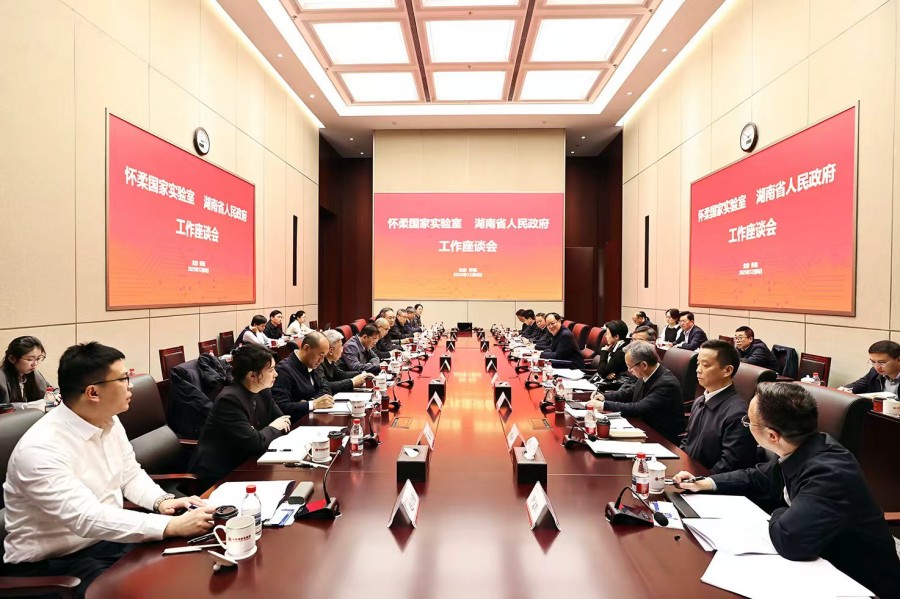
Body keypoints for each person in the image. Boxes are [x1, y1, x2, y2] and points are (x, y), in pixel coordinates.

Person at [1, 342, 215, 597]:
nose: (130, 385)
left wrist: (161, 501)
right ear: (93, 392)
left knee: (190, 562)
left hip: (107, 540)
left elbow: (129, 474)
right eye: (123, 379)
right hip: (54, 565)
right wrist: (170, 526)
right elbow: (86, 518)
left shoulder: (108, 420)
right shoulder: (40, 450)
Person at [674, 383, 900, 599]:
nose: (746, 425)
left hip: (858, 582)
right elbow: (757, 477)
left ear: (772, 436)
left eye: (748, 422)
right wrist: (704, 482)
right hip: (817, 563)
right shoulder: (801, 447)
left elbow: (790, 540)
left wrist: (779, 512)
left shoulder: (829, 472)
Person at [188, 344, 291, 487]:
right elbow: (256, 442)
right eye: (271, 370)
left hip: (247, 462)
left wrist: (265, 432)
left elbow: (284, 422)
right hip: (220, 475)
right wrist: (272, 428)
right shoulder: (229, 400)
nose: (276, 374)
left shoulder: (263, 390)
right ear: (252, 376)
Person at [680, 340, 756, 473]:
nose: (698, 370)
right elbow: (687, 441)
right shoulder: (699, 401)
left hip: (710, 480)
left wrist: (701, 480)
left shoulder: (738, 413)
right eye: (698, 364)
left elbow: (731, 464)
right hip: (688, 473)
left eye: (705, 365)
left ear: (727, 370)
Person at [587, 341, 685, 443]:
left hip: (661, 438)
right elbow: (629, 393)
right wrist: (604, 397)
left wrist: (604, 405)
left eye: (630, 366)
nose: (629, 370)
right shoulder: (647, 373)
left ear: (644, 365)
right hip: (642, 427)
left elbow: (639, 408)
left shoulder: (666, 384)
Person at [271, 332, 334, 420]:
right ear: (306, 348)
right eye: (320, 355)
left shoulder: (312, 362)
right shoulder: (283, 370)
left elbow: (325, 388)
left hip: (315, 417)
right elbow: (281, 407)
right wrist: (312, 404)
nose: (322, 360)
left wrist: (311, 402)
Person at [0, 336, 53, 409]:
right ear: (12, 359)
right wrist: (25, 406)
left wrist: (54, 396)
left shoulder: (35, 374)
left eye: (38, 359)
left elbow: (51, 390)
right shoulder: (1, 379)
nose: (35, 364)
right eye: (30, 359)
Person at [316, 330, 368, 394]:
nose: (342, 349)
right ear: (331, 351)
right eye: (341, 346)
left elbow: (340, 375)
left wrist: (362, 374)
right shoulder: (318, 363)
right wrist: (352, 382)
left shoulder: (332, 360)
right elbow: (325, 385)